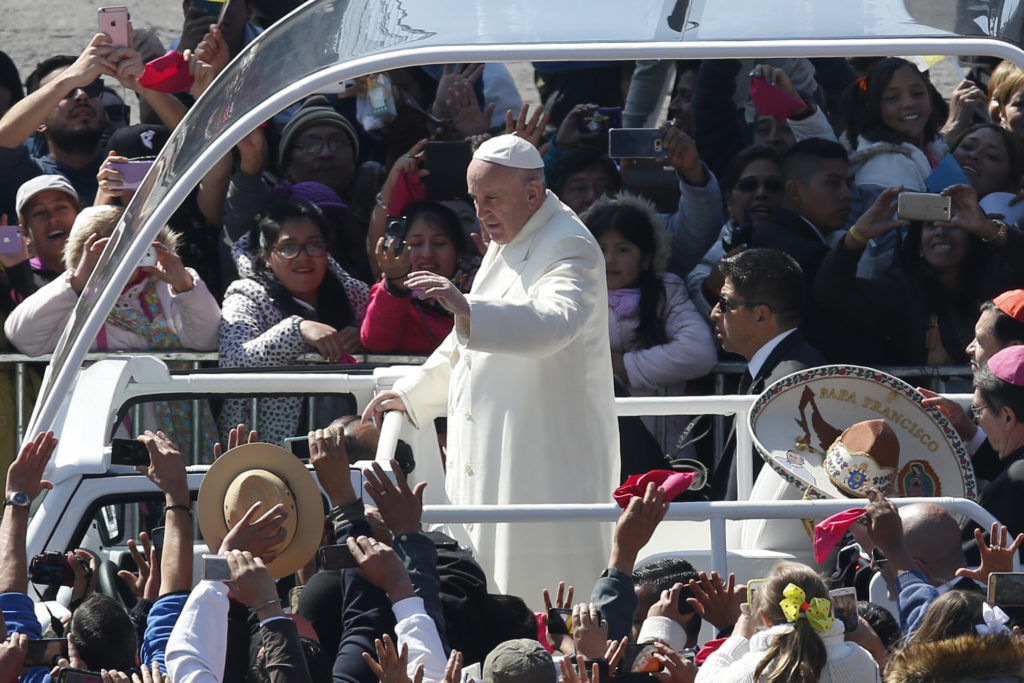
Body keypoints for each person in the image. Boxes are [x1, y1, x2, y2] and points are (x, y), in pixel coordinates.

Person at [362, 134, 619, 599]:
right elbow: (466, 343)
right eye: (475, 199)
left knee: (547, 588)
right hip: (498, 446)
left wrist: (469, 307)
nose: (481, 213)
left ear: (533, 194)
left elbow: (555, 324)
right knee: (489, 576)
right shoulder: (514, 231)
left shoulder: (569, 245)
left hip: (542, 455)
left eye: (492, 198)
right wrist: (414, 392)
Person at [814, 184, 1024, 366]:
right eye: (930, 225)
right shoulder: (902, 291)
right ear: (918, 246)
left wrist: (987, 228)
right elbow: (831, 293)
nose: (941, 231)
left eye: (953, 224)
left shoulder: (1000, 282)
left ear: (973, 239)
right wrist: (858, 235)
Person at [219, 199, 369, 447]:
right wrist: (297, 330)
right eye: (289, 247)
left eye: (314, 245)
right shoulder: (246, 293)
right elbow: (232, 359)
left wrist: (366, 339)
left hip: (347, 444)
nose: (303, 257)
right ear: (267, 256)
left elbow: (392, 330)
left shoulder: (351, 292)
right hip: (268, 448)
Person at [581, 192, 716, 452]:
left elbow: (699, 352)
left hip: (663, 442)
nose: (609, 259)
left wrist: (625, 366)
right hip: (592, 437)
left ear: (645, 257)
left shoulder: (666, 292)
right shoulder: (573, 294)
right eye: (600, 249)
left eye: (623, 249)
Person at [707, 248, 826, 500]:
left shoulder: (790, 381)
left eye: (726, 303)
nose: (714, 313)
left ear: (761, 315)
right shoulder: (781, 371)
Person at [694, 561, 880, 682]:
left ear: (764, 617)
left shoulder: (752, 670)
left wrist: (739, 636)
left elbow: (704, 678)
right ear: (824, 609)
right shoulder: (861, 660)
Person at [686, 145, 785, 320]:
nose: (761, 193)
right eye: (748, 185)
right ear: (729, 200)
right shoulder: (707, 254)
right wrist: (712, 288)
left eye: (773, 186)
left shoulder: (809, 246)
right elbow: (692, 313)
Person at [361, 201, 473, 354]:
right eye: (416, 243)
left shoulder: (481, 288)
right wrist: (396, 286)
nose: (427, 253)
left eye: (440, 243)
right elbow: (375, 343)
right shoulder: (387, 290)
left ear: (459, 252)